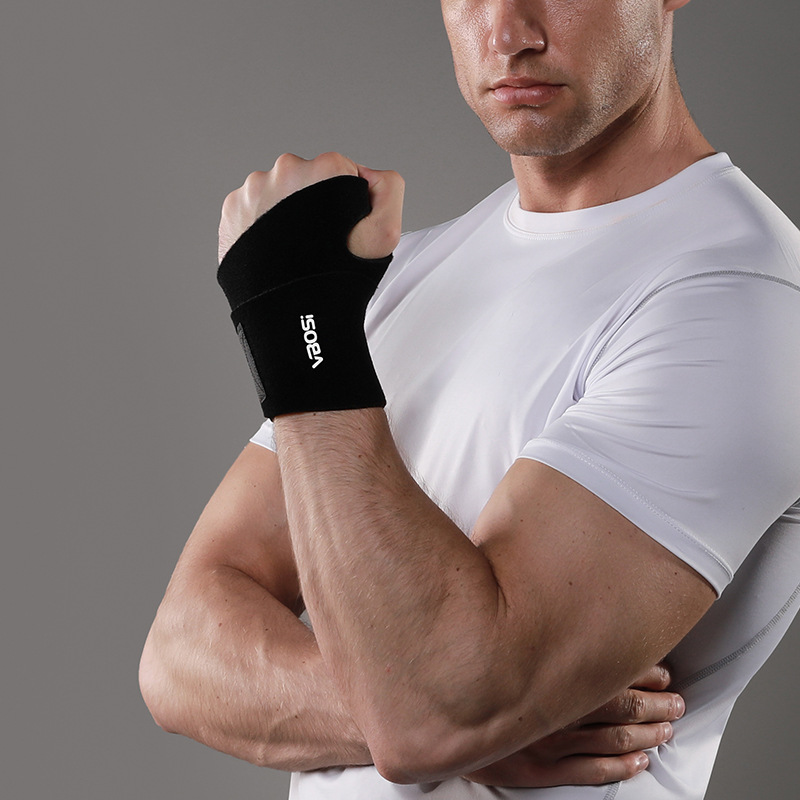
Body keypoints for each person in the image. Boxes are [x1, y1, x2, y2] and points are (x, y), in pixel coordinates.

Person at [140, 1, 800, 798]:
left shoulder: (745, 296)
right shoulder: (412, 273)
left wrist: (294, 317)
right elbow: (179, 655)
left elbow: (430, 714)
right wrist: (437, 726)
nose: (509, 33)